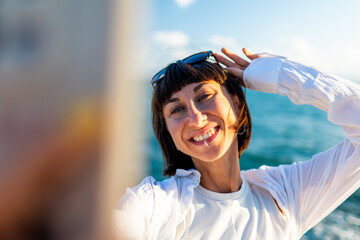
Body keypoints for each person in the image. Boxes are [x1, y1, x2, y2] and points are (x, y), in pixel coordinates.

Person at [114, 47, 360, 239]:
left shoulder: (285, 192)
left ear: (237, 104)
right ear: (169, 133)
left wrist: (280, 75)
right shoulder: (155, 205)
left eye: (204, 96)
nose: (196, 119)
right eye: (176, 109)